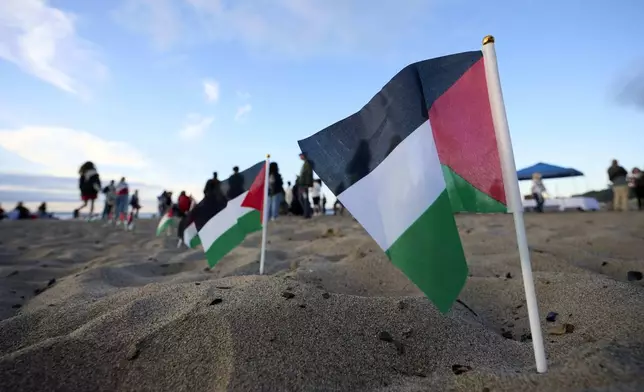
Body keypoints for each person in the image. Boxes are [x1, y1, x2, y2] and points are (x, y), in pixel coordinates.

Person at [297, 153, 314, 218]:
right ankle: (307, 213)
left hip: (303, 185)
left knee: (304, 199)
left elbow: (308, 174)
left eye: (300, 156)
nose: (300, 157)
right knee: (303, 199)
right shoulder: (305, 164)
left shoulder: (307, 164)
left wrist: (307, 184)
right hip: (302, 184)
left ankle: (307, 214)